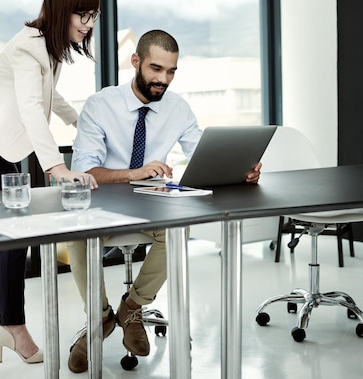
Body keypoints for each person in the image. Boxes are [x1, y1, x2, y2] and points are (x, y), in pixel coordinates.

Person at [66, 29, 262, 373]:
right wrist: (135, 172)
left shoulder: (177, 108)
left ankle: (132, 307)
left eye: (171, 71)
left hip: (151, 203)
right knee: (78, 237)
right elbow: (85, 172)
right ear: (136, 61)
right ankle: (100, 318)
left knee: (179, 229)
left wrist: (240, 169)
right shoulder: (101, 105)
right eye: (156, 69)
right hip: (104, 206)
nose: (163, 79)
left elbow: (202, 153)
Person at [0, 0, 100, 364]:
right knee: (16, 227)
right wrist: (56, 166)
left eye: (93, 15)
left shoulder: (49, 47)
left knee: (11, 226)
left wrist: (78, 121)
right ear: (61, 10)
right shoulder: (28, 48)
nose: (88, 24)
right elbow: (31, 106)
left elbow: (51, 95)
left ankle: (1, 315)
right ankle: (12, 325)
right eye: (82, 14)